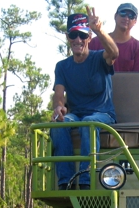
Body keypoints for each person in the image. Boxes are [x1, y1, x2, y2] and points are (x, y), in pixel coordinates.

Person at [51, 8, 119, 190]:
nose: (78, 40)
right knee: (59, 124)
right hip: (77, 115)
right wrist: (59, 108)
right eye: (74, 35)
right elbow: (58, 95)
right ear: (68, 37)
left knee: (88, 123)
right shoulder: (63, 66)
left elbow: (114, 53)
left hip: (102, 113)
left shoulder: (99, 58)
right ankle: (65, 182)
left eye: (82, 35)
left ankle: (85, 180)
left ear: (89, 37)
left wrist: (99, 30)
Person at [88, 3, 139, 72]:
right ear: (115, 16)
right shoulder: (94, 42)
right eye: (123, 13)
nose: (126, 18)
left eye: (131, 16)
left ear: (135, 21)